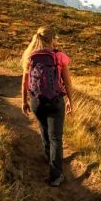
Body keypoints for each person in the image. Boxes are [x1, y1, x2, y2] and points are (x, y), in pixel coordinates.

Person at [21, 26, 73, 186]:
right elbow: (67, 82)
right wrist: (71, 100)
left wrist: (24, 101)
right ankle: (56, 176)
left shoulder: (29, 57)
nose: (57, 40)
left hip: (37, 101)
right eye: (56, 38)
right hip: (55, 101)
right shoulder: (59, 56)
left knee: (44, 129)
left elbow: (24, 81)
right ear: (51, 40)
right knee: (56, 137)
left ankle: (48, 156)